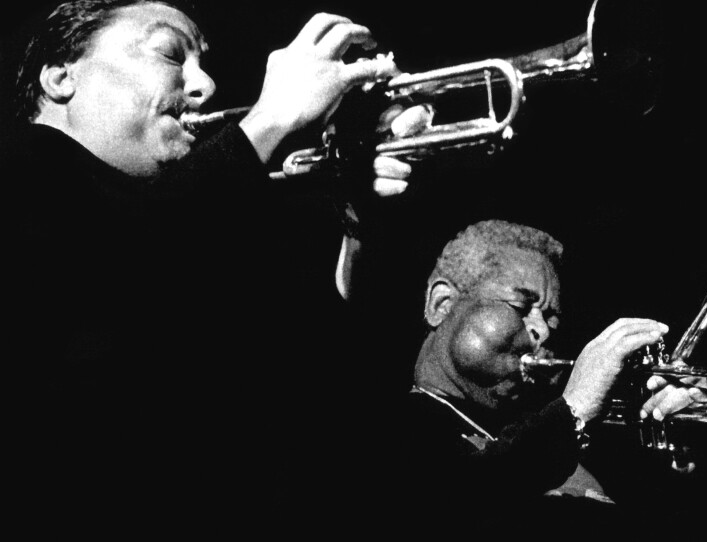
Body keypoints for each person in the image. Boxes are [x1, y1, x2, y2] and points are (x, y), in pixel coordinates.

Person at [4, 0, 426, 535]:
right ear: (62, 77)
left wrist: (354, 221)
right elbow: (112, 268)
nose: (204, 85)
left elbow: (313, 393)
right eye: (170, 54)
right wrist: (272, 118)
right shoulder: (22, 170)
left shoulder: (190, 222)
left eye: (202, 64)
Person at [380, 219, 707, 537]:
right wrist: (575, 408)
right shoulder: (389, 426)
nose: (542, 330)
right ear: (442, 304)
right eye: (521, 305)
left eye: (552, 317)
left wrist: (677, 461)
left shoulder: (564, 440)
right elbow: (453, 505)